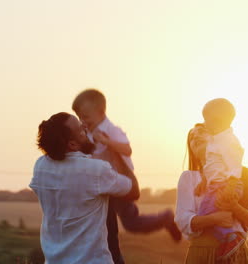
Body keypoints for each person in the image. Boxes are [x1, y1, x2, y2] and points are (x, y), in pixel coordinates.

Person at [71, 89, 181, 263]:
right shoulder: (90, 132)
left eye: (86, 116)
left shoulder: (111, 130)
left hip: (121, 183)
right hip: (104, 187)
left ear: (101, 112)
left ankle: (166, 218)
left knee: (131, 223)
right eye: (79, 117)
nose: (83, 121)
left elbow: (127, 149)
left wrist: (107, 142)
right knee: (105, 230)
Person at [29, 112, 139, 263]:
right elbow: (133, 190)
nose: (86, 128)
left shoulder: (41, 167)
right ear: (72, 144)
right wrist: (114, 149)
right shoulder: (96, 170)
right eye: (81, 129)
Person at [175, 123, 248, 263]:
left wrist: (235, 207)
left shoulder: (244, 175)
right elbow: (183, 221)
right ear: (192, 149)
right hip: (200, 253)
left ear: (216, 139)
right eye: (192, 137)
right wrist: (215, 219)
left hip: (236, 252)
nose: (196, 137)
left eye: (201, 131)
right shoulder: (188, 178)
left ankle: (231, 240)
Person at [194, 98, 245, 259]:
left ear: (217, 121)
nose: (205, 124)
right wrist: (204, 181)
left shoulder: (228, 141)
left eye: (207, 120)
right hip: (216, 184)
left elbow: (235, 165)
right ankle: (227, 239)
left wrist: (230, 186)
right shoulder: (216, 141)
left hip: (225, 185)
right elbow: (215, 166)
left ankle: (232, 237)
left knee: (205, 215)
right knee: (206, 214)